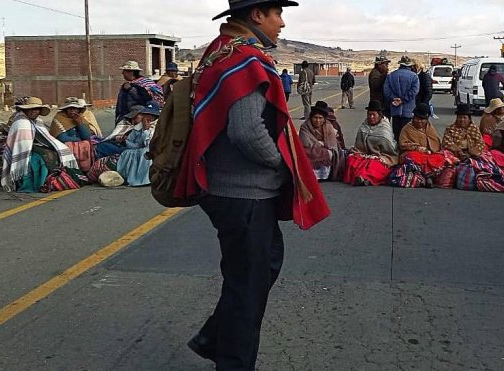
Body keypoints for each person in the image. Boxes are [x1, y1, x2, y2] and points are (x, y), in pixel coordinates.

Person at [176, 1, 330, 369]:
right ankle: (232, 361)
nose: (282, 22)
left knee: (260, 269)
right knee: (249, 287)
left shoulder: (220, 51)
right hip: (243, 192)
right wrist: (284, 166)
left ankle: (214, 337)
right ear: (257, 15)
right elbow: (247, 131)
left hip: (228, 189)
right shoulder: (243, 60)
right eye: (277, 12)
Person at [1, 97, 79, 193]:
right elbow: (23, 146)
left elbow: (46, 138)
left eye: (37, 109)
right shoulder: (21, 122)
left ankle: (52, 180)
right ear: (26, 109)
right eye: (32, 109)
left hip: (34, 147)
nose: (35, 112)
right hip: (21, 153)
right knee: (38, 161)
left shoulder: (38, 121)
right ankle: (37, 184)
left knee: (56, 153)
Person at [344, 100, 399, 186]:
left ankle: (364, 178)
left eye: (374, 115)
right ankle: (361, 178)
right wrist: (361, 154)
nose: (371, 117)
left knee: (374, 165)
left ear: (380, 115)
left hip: (381, 156)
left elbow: (390, 151)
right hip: (364, 155)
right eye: (369, 114)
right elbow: (358, 148)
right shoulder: (363, 127)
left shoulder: (384, 129)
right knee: (352, 160)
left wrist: (377, 156)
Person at [396, 103, 446, 187]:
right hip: (413, 154)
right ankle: (426, 176)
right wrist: (418, 148)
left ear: (427, 119)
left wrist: (430, 151)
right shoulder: (407, 129)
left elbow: (436, 143)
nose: (419, 121)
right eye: (417, 118)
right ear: (413, 117)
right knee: (413, 158)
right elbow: (403, 144)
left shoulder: (430, 128)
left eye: (422, 119)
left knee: (440, 158)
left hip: (429, 155)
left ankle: (428, 176)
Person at [299, 102, 345, 180]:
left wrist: (322, 145)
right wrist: (320, 144)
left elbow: (332, 144)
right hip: (309, 150)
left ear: (324, 119)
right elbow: (305, 142)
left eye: (320, 118)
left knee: (329, 153)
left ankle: (323, 176)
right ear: (311, 118)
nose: (317, 120)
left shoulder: (328, 126)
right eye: (315, 118)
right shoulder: (305, 127)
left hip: (325, 149)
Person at [116, 101, 159, 186]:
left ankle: (146, 179)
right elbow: (132, 142)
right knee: (126, 153)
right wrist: (126, 142)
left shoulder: (157, 127)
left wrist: (146, 131)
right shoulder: (138, 127)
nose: (147, 117)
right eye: (145, 114)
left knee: (145, 153)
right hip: (137, 150)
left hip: (155, 150)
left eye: (150, 115)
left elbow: (149, 144)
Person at [384, 55, 420, 141]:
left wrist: (394, 99)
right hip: (408, 110)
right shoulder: (414, 76)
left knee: (396, 133)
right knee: (407, 134)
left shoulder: (391, 75)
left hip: (395, 108)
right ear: (410, 65)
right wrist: (403, 100)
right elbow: (414, 91)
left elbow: (386, 90)